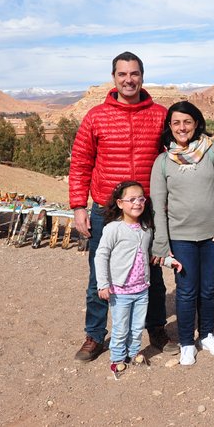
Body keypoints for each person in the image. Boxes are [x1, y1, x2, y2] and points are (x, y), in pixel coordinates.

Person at [68, 51, 176, 363]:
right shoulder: (96, 116)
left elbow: (175, 156)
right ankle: (94, 334)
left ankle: (155, 328)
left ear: (142, 76)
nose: (129, 80)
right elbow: (80, 163)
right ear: (114, 78)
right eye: (122, 74)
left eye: (134, 74)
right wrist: (78, 206)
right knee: (98, 274)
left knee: (152, 272)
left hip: (148, 209)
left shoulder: (159, 115)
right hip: (106, 209)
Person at [150, 101, 214, 366]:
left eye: (187, 121)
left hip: (213, 236)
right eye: (176, 122)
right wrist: (162, 241)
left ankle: (207, 335)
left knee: (209, 289)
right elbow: (158, 205)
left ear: (197, 123)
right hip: (181, 237)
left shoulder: (213, 152)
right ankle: (187, 341)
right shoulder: (163, 162)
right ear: (170, 126)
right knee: (187, 291)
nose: (182, 127)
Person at [94, 181, 182, 379]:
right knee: (120, 326)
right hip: (120, 290)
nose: (137, 203)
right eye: (131, 199)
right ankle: (117, 359)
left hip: (142, 289)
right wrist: (103, 284)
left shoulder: (146, 229)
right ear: (119, 203)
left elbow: (151, 254)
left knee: (137, 326)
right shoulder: (113, 229)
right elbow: (101, 255)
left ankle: (134, 353)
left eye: (141, 199)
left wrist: (170, 262)